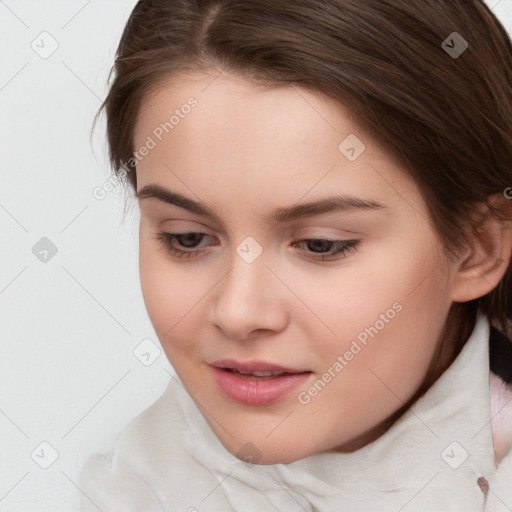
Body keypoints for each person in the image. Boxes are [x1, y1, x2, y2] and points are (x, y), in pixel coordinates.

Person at [79, 0, 512, 510]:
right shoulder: (131, 484)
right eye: (188, 238)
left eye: (321, 244)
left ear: (478, 250)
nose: (238, 313)